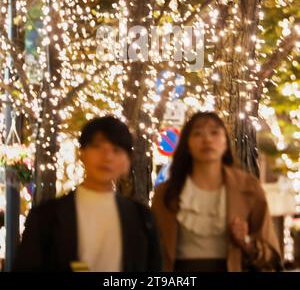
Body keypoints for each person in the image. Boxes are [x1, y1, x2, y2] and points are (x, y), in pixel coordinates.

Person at [14, 116, 162, 272]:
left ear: (127, 162)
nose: (107, 156)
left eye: (116, 150)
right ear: (81, 154)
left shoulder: (142, 219)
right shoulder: (47, 216)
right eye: (97, 146)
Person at [152, 111, 282, 272]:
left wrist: (245, 241)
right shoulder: (166, 193)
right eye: (198, 133)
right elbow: (152, 252)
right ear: (187, 144)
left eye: (214, 132)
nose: (207, 139)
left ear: (225, 142)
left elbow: (271, 256)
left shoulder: (248, 188)